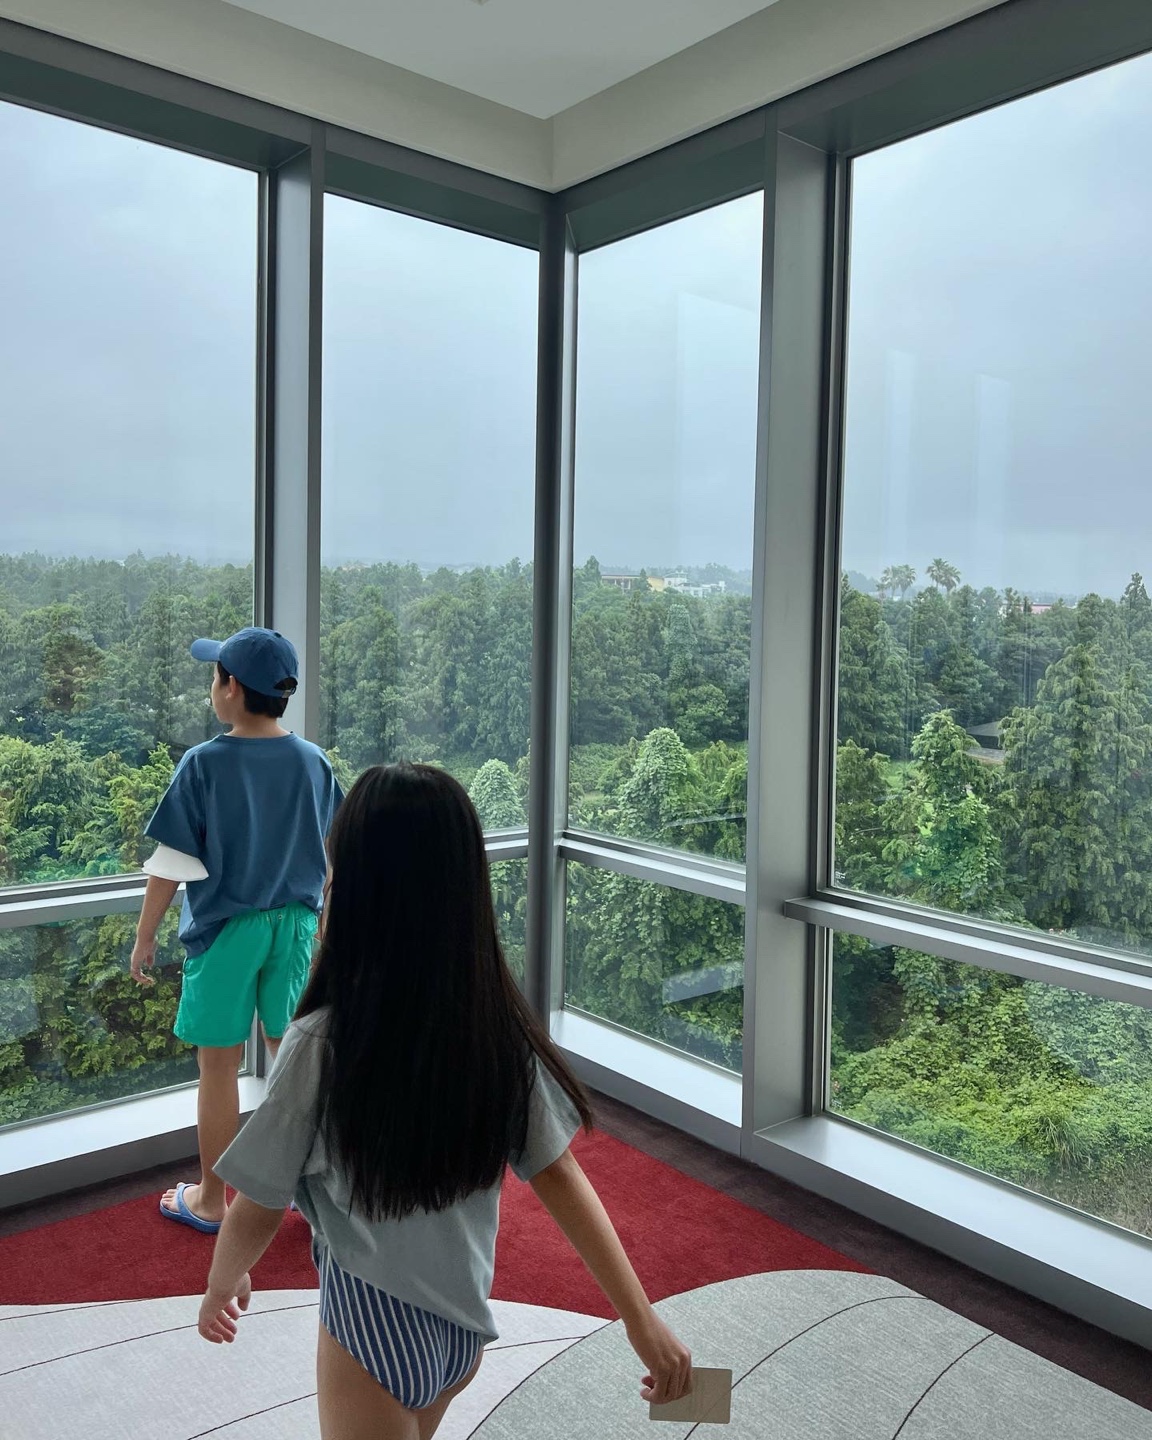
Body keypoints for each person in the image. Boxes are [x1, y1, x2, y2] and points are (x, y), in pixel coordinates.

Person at [197, 762, 692, 1439]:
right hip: (462, 1329)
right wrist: (641, 1320)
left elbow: (259, 1200)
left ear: (358, 891)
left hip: (369, 1329)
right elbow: (560, 1176)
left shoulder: (321, 1042)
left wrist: (222, 1280)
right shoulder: (495, 1031)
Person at [131, 626, 342, 1235]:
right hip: (295, 926)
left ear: (231, 688)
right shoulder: (313, 761)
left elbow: (171, 864)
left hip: (226, 932)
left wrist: (145, 938)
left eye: (215, 674)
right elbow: (332, 854)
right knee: (293, 1060)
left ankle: (211, 1200)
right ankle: (309, 1192)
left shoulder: (204, 763)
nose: (212, 684)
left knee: (219, 1067)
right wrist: (324, 923)